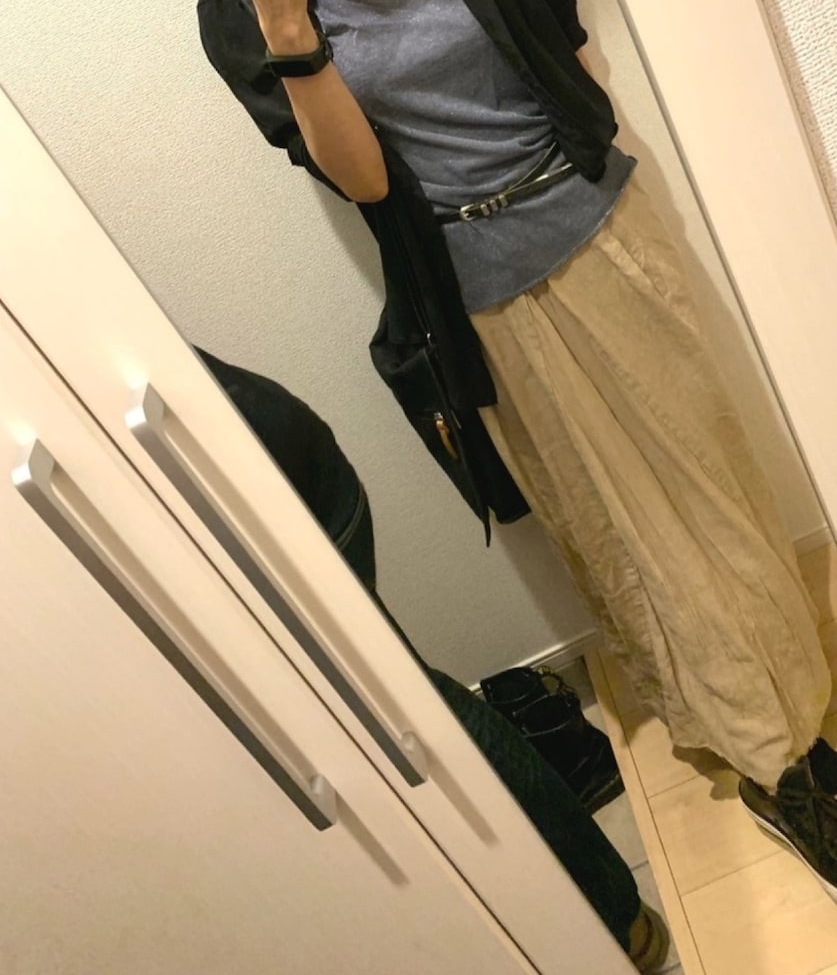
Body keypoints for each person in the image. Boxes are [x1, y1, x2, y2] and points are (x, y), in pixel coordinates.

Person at [136, 0, 837, 927]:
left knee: (715, 486)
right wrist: (287, 28)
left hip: (607, 231)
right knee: (625, 533)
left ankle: (781, 707)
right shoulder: (238, 13)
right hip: (483, 298)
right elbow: (363, 182)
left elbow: (566, 52)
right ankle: (775, 767)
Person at [194, 346, 668, 971]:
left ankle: (615, 916)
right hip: (272, 477)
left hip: (271, 493)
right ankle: (600, 910)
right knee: (406, 709)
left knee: (415, 713)